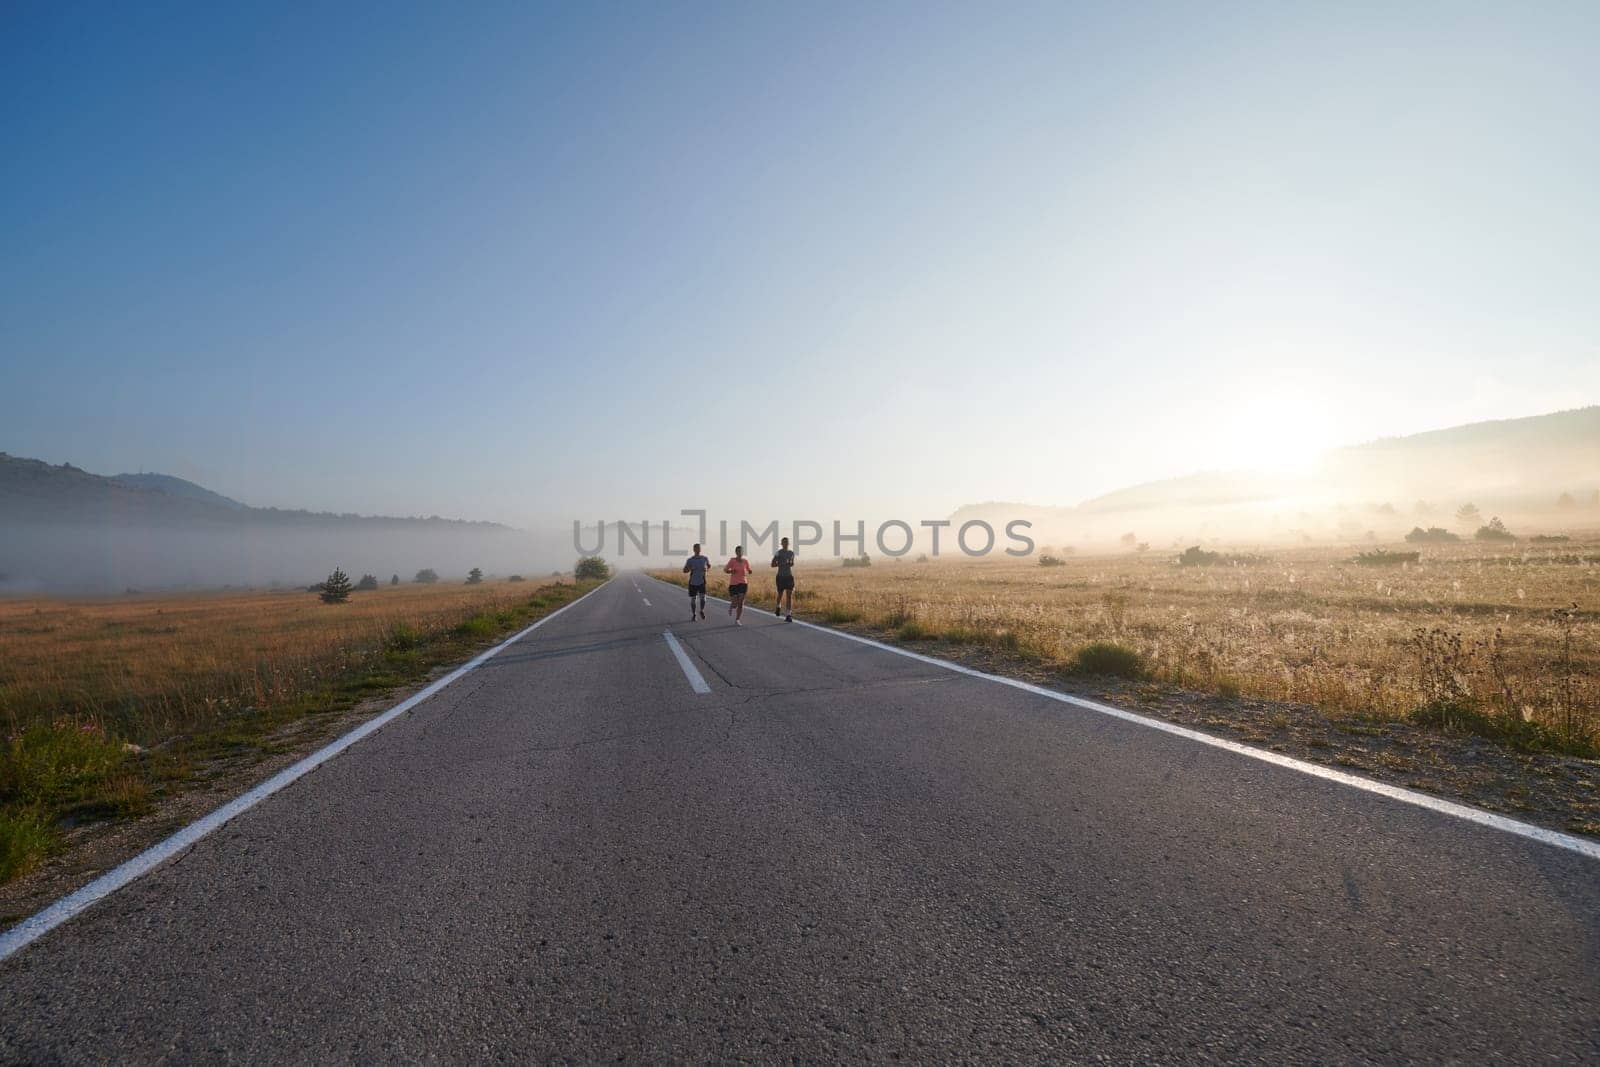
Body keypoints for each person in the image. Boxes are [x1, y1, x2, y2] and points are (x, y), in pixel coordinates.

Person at [724, 545, 752, 625]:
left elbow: (748, 569)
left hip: (743, 583)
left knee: (741, 602)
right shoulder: (732, 561)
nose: (740, 553)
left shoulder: (745, 561)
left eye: (741, 551)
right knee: (735, 604)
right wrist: (731, 571)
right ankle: (731, 606)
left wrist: (750, 571)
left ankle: (737, 619)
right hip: (733, 584)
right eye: (738, 551)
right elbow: (725, 569)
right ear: (736, 552)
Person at [770, 536, 796, 621]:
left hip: (789, 576)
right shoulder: (778, 553)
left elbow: (792, 563)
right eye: (784, 542)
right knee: (780, 594)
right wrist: (781, 564)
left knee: (789, 595)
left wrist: (790, 563)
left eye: (787, 542)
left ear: (788, 543)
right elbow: (772, 564)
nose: (785, 544)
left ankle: (788, 615)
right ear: (781, 544)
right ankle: (778, 606)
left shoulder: (791, 553)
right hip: (780, 576)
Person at [682, 543, 710, 620]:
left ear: (700, 549)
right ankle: (694, 614)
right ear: (694, 549)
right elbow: (684, 570)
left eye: (699, 548)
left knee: (703, 598)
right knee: (693, 599)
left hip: (702, 581)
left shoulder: (704, 558)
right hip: (693, 582)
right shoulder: (690, 560)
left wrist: (706, 569)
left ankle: (701, 610)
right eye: (696, 548)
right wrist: (690, 568)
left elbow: (709, 566)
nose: (698, 549)